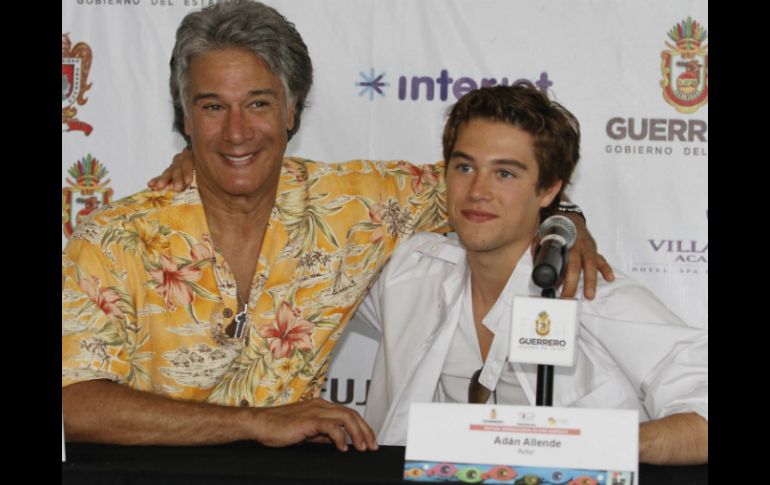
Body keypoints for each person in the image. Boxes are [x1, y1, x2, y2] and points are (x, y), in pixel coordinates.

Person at [62, 0, 609, 451]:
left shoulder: (356, 204)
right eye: (211, 107)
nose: (235, 132)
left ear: (293, 110)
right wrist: (257, 422)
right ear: (184, 116)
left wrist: (563, 217)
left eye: (257, 103)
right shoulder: (113, 238)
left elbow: (491, 189)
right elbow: (74, 403)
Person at [351, 84, 707, 465]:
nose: (477, 191)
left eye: (505, 173)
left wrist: (588, 446)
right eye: (465, 167)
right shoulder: (407, 272)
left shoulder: (588, 292)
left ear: (549, 191)